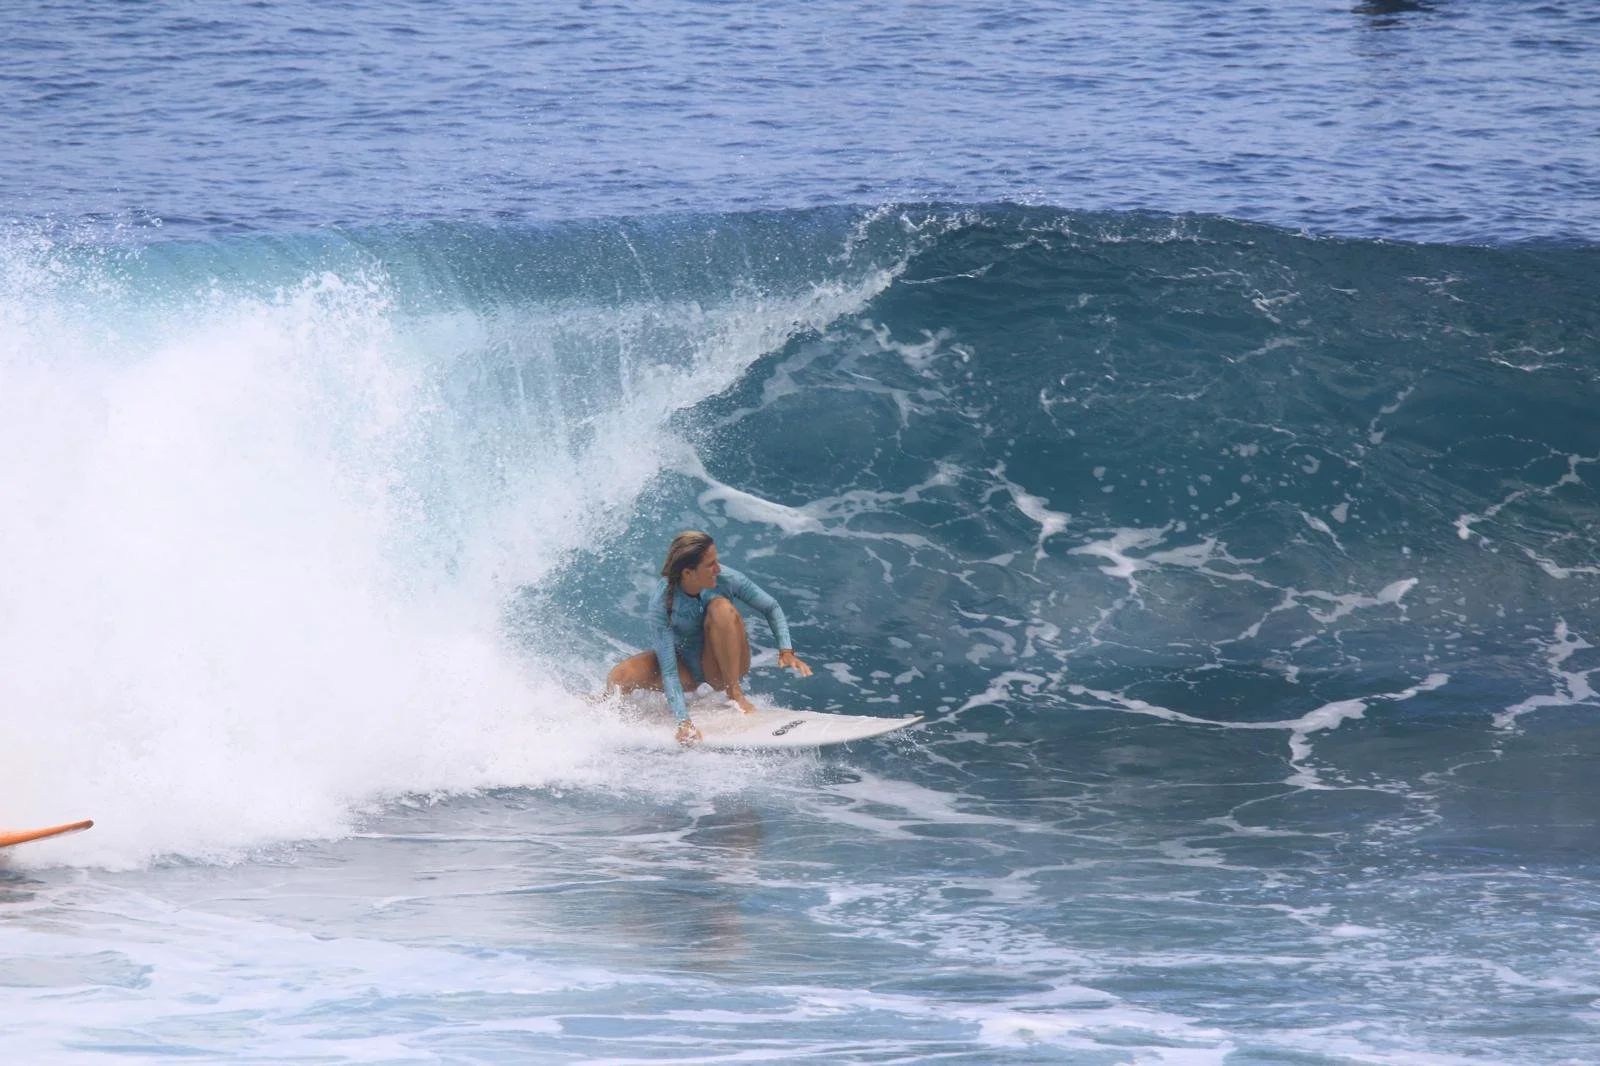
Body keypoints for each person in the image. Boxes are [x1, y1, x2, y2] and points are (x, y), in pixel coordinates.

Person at [605, 530, 813, 747]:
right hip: (688, 667)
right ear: (687, 573)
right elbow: (669, 671)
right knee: (619, 677)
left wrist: (786, 650)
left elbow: (771, 607)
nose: (718, 568)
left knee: (721, 607)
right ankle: (603, 705)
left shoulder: (728, 579)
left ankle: (734, 692)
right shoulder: (662, 604)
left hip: (724, 667)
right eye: (710, 564)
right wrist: (683, 721)